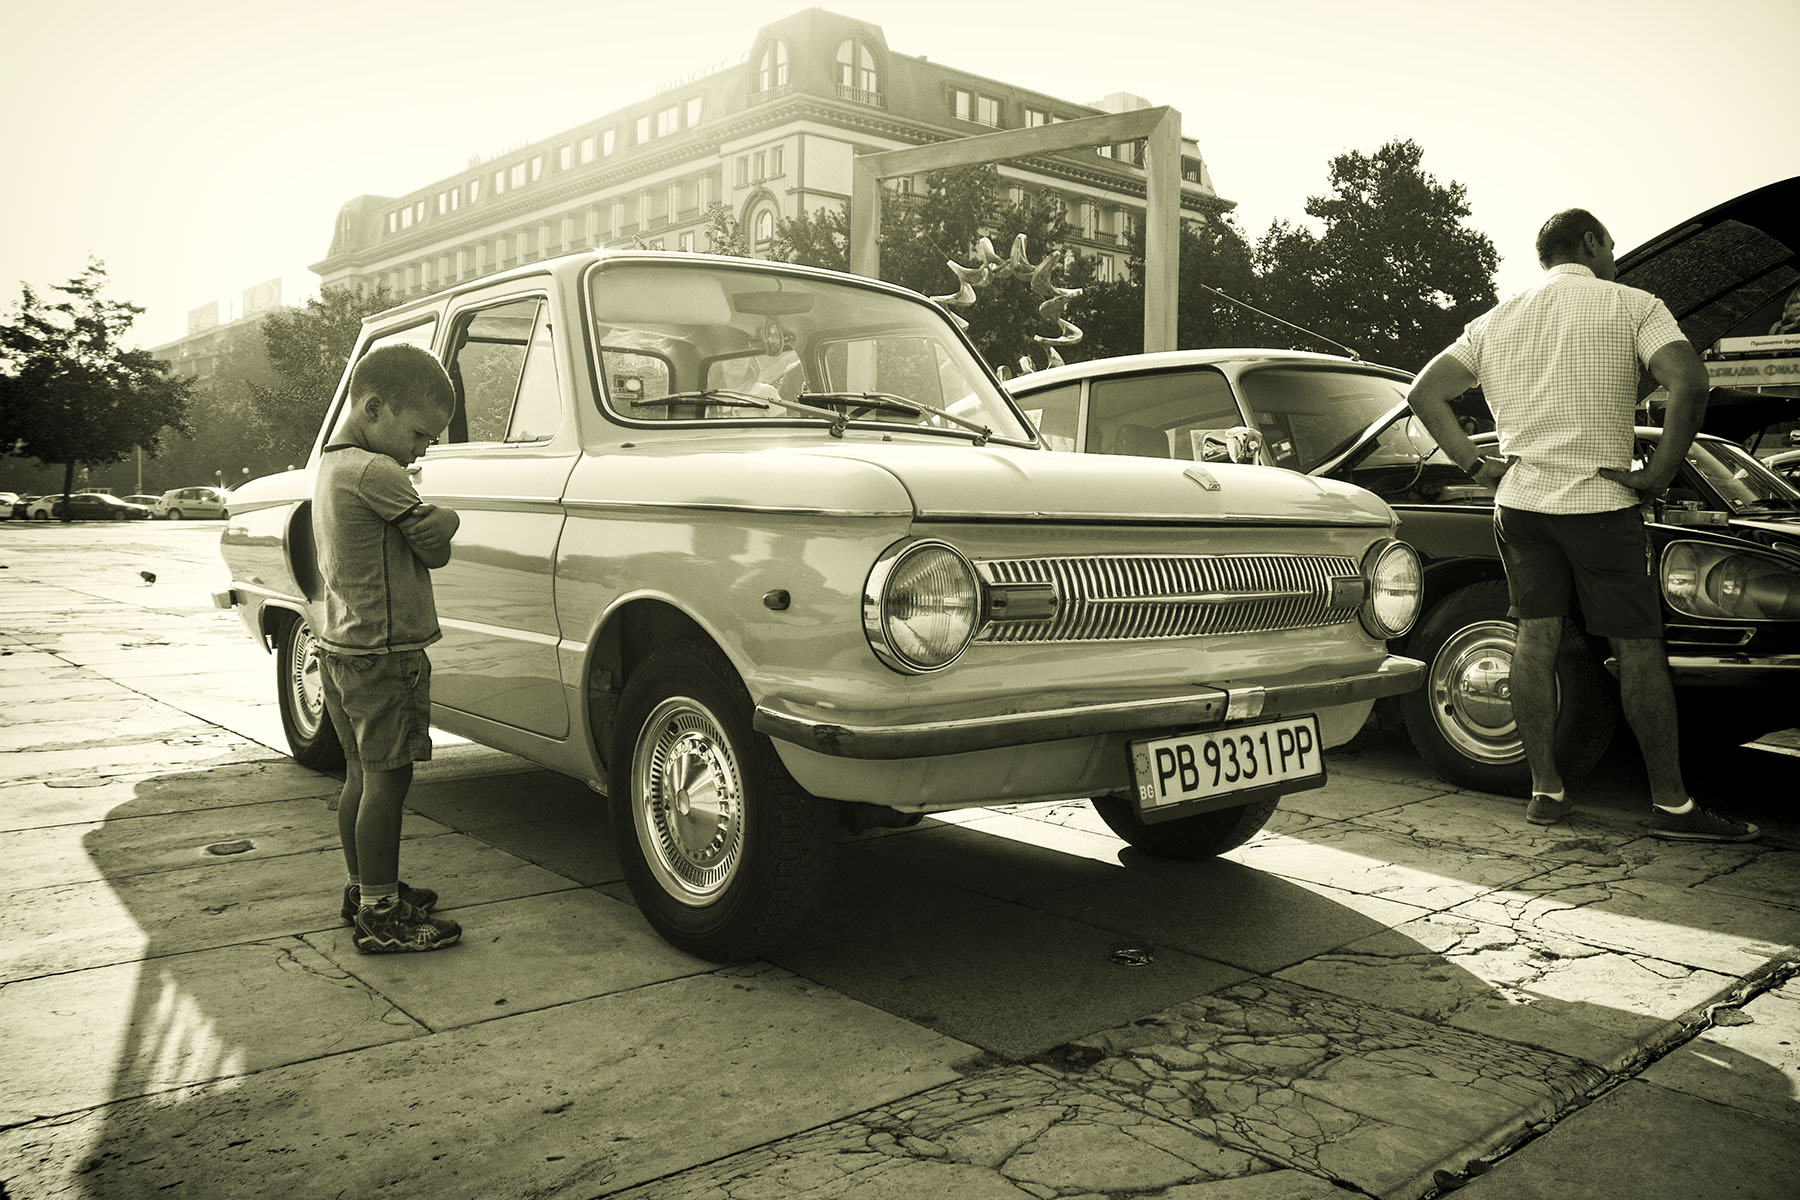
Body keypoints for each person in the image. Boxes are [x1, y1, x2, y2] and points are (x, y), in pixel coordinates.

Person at [1405, 208, 1758, 842]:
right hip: (1600, 505)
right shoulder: (1635, 306)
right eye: (1611, 246)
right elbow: (1690, 382)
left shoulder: (1495, 320)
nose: (1615, 258)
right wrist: (1658, 474)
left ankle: (1546, 791)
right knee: (1638, 648)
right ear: (1590, 242)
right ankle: (1673, 806)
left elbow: (1423, 393)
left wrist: (1474, 464)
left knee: (1532, 641)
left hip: (1520, 506)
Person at [314, 343, 467, 951]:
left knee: (360, 774)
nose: (422, 450)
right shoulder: (378, 472)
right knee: (389, 781)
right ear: (375, 408)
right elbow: (433, 548)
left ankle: (364, 888)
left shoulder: (332, 466)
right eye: (419, 434)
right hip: (385, 653)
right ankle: (382, 917)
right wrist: (450, 519)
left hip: (343, 645)